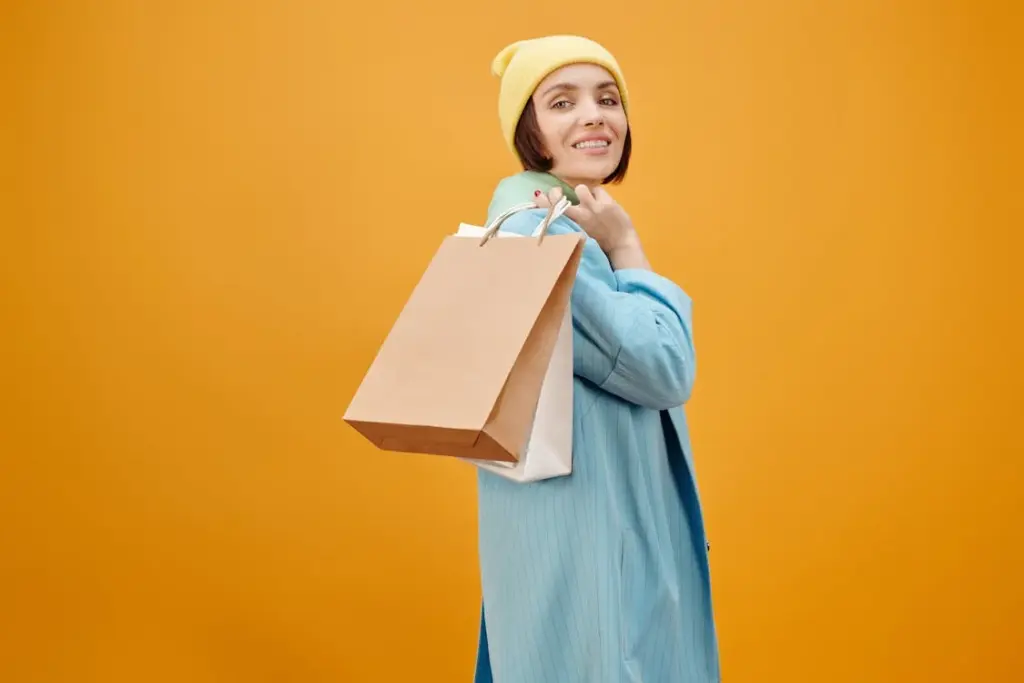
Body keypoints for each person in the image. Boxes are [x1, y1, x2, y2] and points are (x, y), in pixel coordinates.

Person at [472, 35, 721, 683]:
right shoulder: (539, 237)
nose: (594, 115)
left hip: (588, 533)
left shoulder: (562, 230)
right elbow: (665, 366)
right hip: (592, 541)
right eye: (562, 102)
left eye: (608, 98)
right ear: (531, 133)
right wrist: (631, 246)